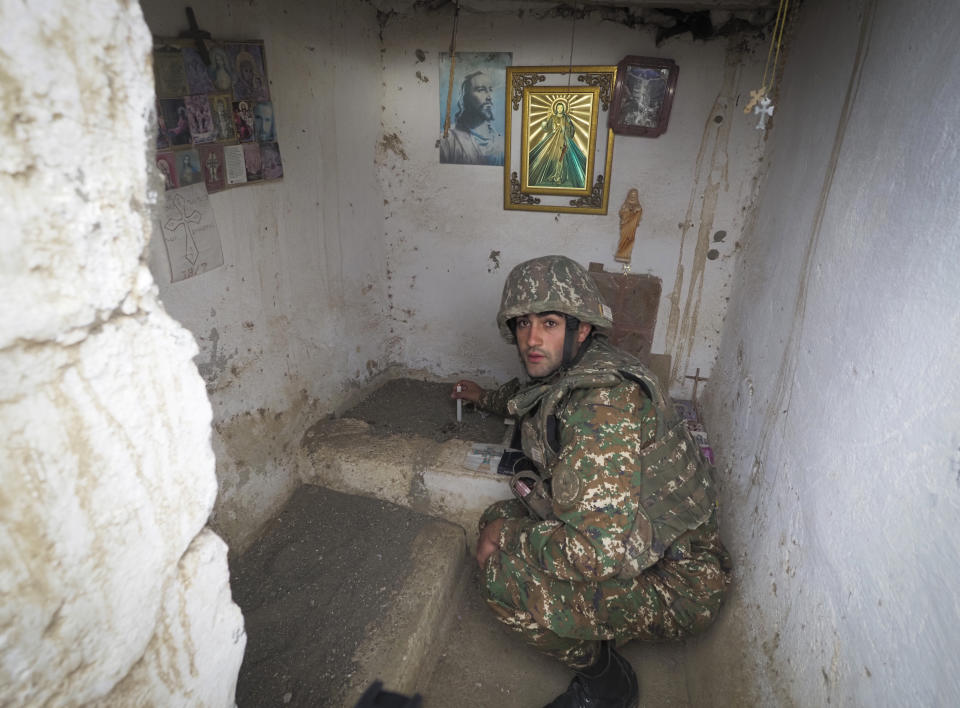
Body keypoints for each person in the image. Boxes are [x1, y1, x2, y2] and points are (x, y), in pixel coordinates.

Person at [451, 255, 731, 708]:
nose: (532, 339)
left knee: (497, 568)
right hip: (648, 542)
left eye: (549, 322)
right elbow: (534, 395)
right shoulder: (587, 364)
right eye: (523, 323)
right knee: (499, 517)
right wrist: (484, 397)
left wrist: (508, 538)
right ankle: (598, 624)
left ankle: (607, 682)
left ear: (581, 329)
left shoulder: (601, 406)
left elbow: (596, 553)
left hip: (681, 581)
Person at [439, 70, 504, 166]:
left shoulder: (501, 143)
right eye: (481, 90)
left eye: (490, 89)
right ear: (466, 98)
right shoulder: (447, 140)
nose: (489, 97)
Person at [527, 100, 587, 189]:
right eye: (558, 107)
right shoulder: (553, 117)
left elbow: (571, 128)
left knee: (561, 158)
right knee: (553, 157)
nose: (559, 109)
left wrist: (566, 129)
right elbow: (547, 128)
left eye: (561, 107)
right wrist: (545, 122)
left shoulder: (566, 118)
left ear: (564, 109)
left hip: (563, 139)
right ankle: (554, 175)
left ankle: (560, 176)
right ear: (555, 108)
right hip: (554, 140)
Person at [615, 188, 643, 263]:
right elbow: (621, 213)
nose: (633, 197)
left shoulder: (639, 207)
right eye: (632, 195)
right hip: (625, 225)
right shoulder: (625, 205)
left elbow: (639, 217)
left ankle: (626, 254)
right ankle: (621, 253)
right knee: (623, 238)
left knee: (630, 239)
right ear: (629, 195)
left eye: (635, 195)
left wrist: (636, 212)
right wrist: (627, 211)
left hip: (632, 227)